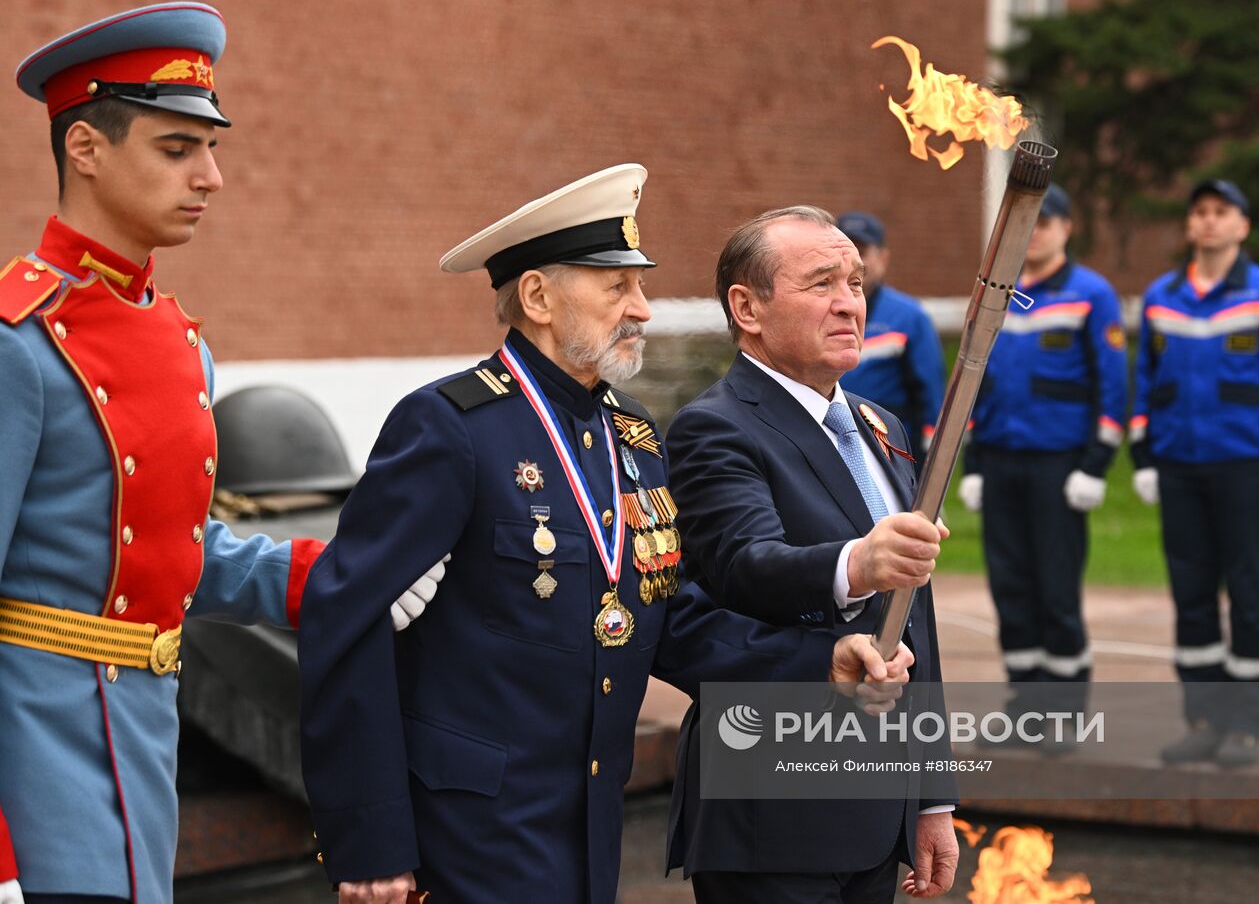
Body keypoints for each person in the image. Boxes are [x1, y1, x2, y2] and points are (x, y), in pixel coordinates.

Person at [297, 166, 918, 904]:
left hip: (587, 820)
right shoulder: (449, 427)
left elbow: (667, 618)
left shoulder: (633, 437)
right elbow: (347, 620)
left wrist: (821, 663)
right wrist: (370, 844)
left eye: (640, 286)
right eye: (617, 287)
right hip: (464, 828)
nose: (643, 309)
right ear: (538, 297)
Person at [0, 4, 435, 904]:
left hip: (141, 759)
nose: (212, 176)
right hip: (34, 775)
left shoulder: (180, 341)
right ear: (84, 147)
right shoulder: (19, 342)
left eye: (210, 147)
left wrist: (348, 575)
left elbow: (175, 554)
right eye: (176, 149)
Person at [665, 205, 959, 902]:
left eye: (855, 282)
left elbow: (914, 619)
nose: (850, 302)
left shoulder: (880, 426)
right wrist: (857, 563)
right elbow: (746, 562)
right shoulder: (714, 427)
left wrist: (932, 795)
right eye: (822, 282)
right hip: (773, 812)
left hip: (877, 806)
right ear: (748, 308)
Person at [1129, 179, 1259, 768]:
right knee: (1191, 598)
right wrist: (1143, 456)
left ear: (1242, 226)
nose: (1209, 221)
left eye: (1222, 212)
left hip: (1245, 468)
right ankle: (1205, 720)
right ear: (1191, 226)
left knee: (1248, 595)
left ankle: (1246, 724)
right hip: (1179, 469)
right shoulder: (1162, 297)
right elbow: (1146, 381)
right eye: (1201, 212)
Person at [956, 183, 1128, 743]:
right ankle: (1025, 707)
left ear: (1066, 229)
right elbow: (975, 383)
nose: (1036, 233)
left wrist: (1096, 464)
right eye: (1030, 224)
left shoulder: (1091, 294)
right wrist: (974, 465)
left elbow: (1113, 386)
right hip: (1001, 462)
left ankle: (1065, 712)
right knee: (1011, 588)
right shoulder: (996, 293)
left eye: (1047, 223)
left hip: (1060, 466)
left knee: (1056, 589)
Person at [836, 211, 945, 463]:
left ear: (883, 258)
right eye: (845, 251)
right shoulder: (822, 310)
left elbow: (929, 389)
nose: (852, 260)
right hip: (833, 439)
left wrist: (930, 451)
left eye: (861, 251)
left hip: (889, 446)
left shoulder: (908, 316)